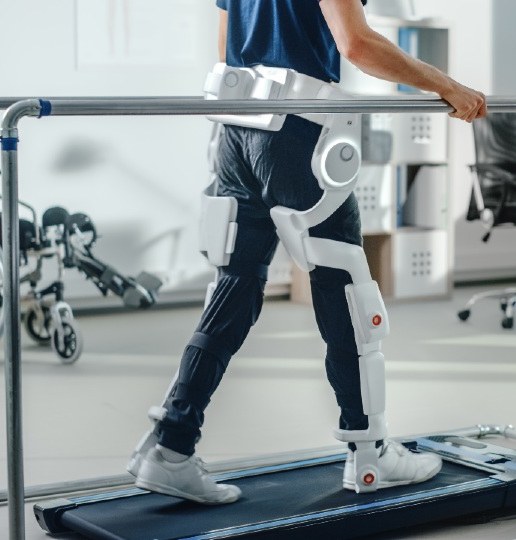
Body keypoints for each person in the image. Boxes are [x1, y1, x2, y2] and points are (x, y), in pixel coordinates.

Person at [130, 0, 488, 505]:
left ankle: (170, 448)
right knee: (345, 286)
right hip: (298, 133)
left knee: (235, 287)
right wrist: (446, 86)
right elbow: (356, 44)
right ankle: (371, 453)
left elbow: (225, 44)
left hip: (237, 128)